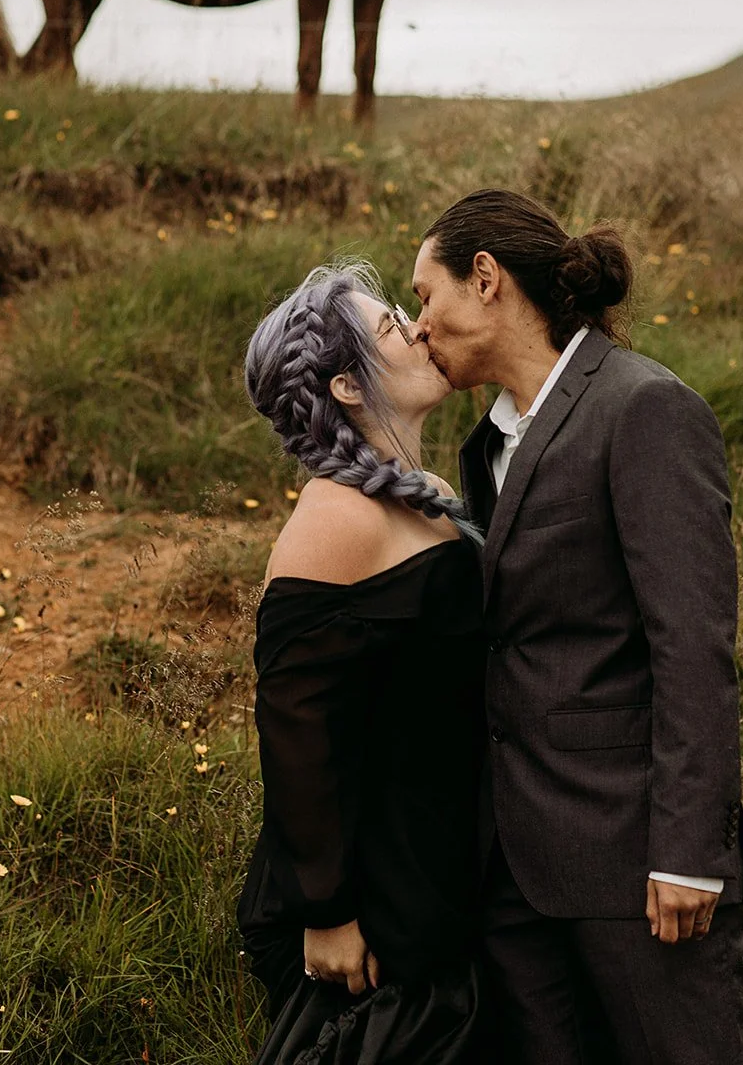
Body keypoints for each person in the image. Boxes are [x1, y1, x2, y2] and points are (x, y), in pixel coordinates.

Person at [412, 189, 743, 1065]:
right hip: (513, 868)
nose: (419, 325)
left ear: (484, 279)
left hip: (635, 864)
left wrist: (688, 855)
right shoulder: (485, 443)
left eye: (425, 295)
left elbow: (691, 643)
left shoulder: (642, 408)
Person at [236, 262, 489, 1064]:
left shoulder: (422, 493)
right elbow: (294, 723)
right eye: (390, 328)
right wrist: (326, 912)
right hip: (369, 899)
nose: (417, 328)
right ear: (348, 387)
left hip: (430, 859)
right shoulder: (334, 517)